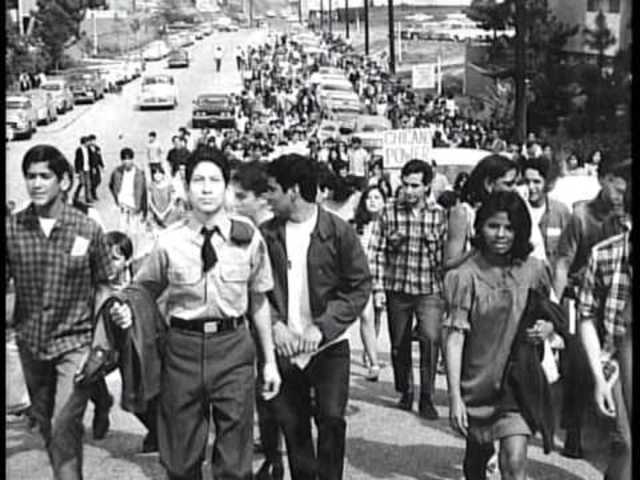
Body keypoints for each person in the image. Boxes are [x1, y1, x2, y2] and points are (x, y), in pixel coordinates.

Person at [109, 146, 281, 480]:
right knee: (181, 458)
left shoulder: (248, 237)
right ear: (187, 188)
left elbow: (259, 301)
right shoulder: (169, 241)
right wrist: (126, 312)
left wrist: (270, 362)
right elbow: (142, 290)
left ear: (226, 187)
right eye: (198, 180)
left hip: (233, 348)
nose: (206, 188)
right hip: (182, 351)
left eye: (214, 180)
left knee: (235, 460)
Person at [6, 145, 115, 479]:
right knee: (46, 426)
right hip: (32, 344)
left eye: (45, 176)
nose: (36, 184)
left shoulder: (87, 229)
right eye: (30, 177)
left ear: (64, 181)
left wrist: (100, 345)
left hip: (75, 344)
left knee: (63, 423)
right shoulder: (13, 229)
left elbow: (104, 285)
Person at [261, 154, 372, 480]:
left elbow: (359, 286)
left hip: (329, 348)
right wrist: (275, 324)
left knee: (332, 420)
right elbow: (254, 290)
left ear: (294, 190)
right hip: (284, 348)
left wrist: (323, 327)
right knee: (293, 427)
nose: (267, 197)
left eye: (273, 190)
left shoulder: (338, 232)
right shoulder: (265, 235)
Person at [444, 190, 558, 480]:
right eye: (493, 226)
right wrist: (455, 396)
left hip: (516, 382)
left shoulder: (534, 270)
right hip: (477, 383)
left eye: (509, 227)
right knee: (477, 460)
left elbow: (549, 313)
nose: (501, 234)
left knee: (514, 460)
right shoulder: (464, 275)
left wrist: (546, 328)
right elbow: (455, 338)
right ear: (480, 227)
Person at [553, 155, 630, 459]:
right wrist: (556, 305)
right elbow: (563, 262)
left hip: (615, 304)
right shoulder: (581, 216)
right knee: (578, 365)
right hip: (581, 300)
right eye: (617, 186)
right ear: (603, 180)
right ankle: (573, 430)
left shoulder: (624, 218)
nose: (620, 194)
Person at [368, 159, 448, 419]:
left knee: (430, 339)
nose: (409, 191)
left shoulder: (439, 215)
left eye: (415, 186)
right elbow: (376, 251)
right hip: (397, 288)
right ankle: (405, 390)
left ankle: (427, 396)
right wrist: (378, 288)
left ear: (427, 186)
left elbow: (446, 256)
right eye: (406, 185)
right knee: (399, 343)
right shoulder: (389, 212)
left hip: (429, 289)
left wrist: (447, 292)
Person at [227, 161, 283, 480]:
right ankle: (272, 454)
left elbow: (271, 292)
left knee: (274, 395)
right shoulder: (248, 233)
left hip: (275, 327)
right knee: (264, 394)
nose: (235, 203)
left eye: (242, 196)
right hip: (255, 327)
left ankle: (276, 459)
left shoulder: (269, 236)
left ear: (261, 198)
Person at [578, 223, 632, 480]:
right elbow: (586, 316)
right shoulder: (605, 254)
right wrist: (599, 378)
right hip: (618, 360)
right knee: (626, 443)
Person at [352, 184, 387, 381]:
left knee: (377, 317)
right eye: (369, 198)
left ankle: (369, 351)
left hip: (381, 277)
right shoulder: (356, 225)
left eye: (377, 198)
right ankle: (373, 363)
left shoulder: (388, 224)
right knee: (366, 316)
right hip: (361, 277)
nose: (372, 202)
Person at [520, 156, 571, 269]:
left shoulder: (560, 211)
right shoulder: (517, 210)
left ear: (548, 183)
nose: (531, 187)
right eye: (527, 182)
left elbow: (568, 251)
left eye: (536, 182)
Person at [108, 148, 148, 256]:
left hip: (134, 206)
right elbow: (111, 185)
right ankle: (122, 253)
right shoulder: (117, 172)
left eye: (129, 159)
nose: (127, 162)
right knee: (121, 230)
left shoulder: (139, 173)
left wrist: (143, 210)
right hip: (122, 205)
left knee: (134, 232)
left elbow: (144, 193)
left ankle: (134, 253)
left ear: (132, 159)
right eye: (124, 159)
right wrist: (117, 199)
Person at [74, 136, 94, 203]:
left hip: (87, 168)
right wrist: (77, 171)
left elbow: (91, 158)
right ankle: (76, 195)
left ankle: (88, 198)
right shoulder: (79, 150)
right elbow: (76, 161)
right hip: (81, 169)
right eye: (87, 142)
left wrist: (92, 167)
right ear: (84, 142)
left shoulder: (88, 149)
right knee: (82, 183)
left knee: (88, 184)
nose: (88, 143)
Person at [87, 134, 104, 201]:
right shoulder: (87, 149)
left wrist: (102, 165)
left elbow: (99, 157)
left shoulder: (97, 148)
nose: (93, 142)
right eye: (91, 141)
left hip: (96, 166)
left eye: (94, 140)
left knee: (98, 180)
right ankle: (93, 194)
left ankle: (93, 192)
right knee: (93, 181)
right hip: (91, 167)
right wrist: (91, 167)